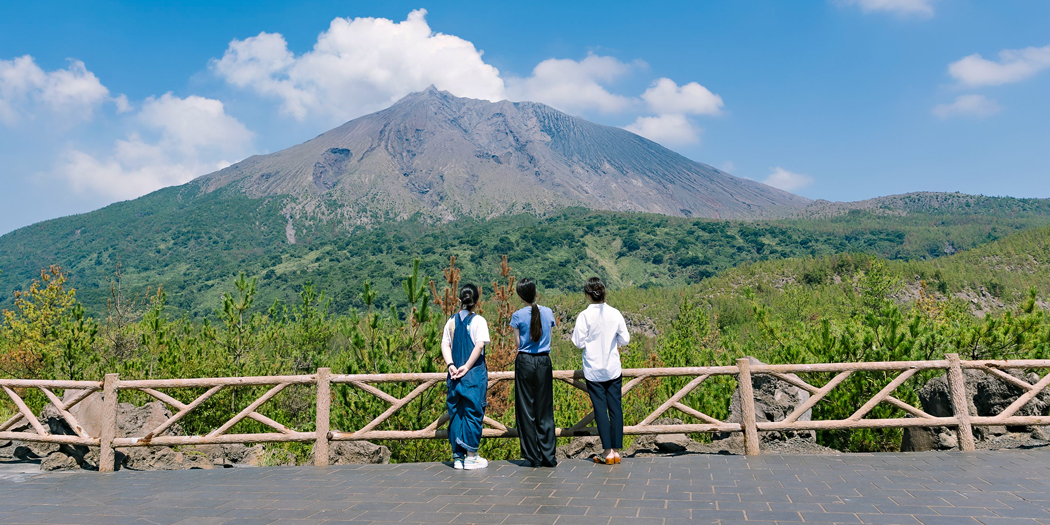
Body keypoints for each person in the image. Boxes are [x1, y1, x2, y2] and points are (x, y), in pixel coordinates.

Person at [571, 277, 630, 465]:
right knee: (616, 409)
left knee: (600, 411)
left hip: (593, 370)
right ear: (604, 293)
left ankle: (607, 452)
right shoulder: (615, 313)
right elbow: (625, 339)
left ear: (588, 295)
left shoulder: (584, 316)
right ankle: (616, 451)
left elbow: (578, 342)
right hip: (613, 368)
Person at [441, 283, 491, 470]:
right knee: (473, 413)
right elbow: (479, 346)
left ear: (460, 300)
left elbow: (445, 345)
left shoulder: (451, 321)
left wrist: (451, 365)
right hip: (474, 375)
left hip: (454, 376)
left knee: (456, 414)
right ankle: (471, 456)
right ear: (476, 301)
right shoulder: (479, 321)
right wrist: (467, 367)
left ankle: (458, 457)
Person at [511, 278, 558, 467]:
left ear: (521, 296)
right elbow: (549, 339)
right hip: (544, 361)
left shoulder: (517, 315)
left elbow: (517, 344)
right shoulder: (548, 312)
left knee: (526, 409)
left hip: (525, 362)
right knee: (544, 408)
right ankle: (548, 455)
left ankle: (534, 456)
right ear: (535, 292)